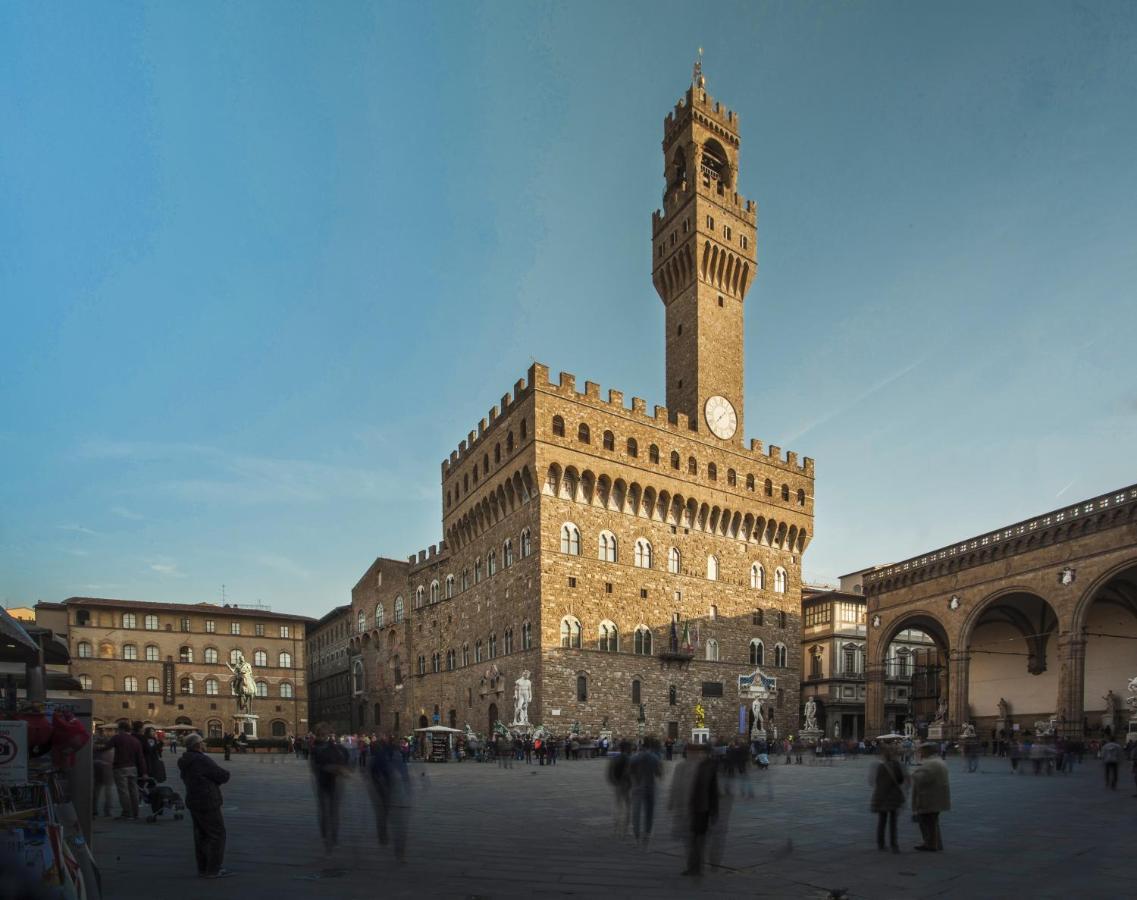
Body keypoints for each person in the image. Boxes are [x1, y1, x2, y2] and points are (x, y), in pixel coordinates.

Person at [178, 732, 232, 878]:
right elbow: (223, 775)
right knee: (217, 834)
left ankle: (203, 868)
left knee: (201, 835)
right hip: (207, 800)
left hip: (193, 800)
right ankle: (213, 869)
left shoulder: (185, 759)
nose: (205, 744)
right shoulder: (202, 760)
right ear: (198, 745)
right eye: (203, 742)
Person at [368, 737, 412, 862]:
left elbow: (404, 773)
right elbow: (375, 773)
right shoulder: (382, 757)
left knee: (399, 823)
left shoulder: (399, 756)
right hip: (387, 793)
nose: (400, 744)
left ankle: (399, 852)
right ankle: (385, 836)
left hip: (397, 794)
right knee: (391, 820)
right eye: (397, 742)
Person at [679, 742, 719, 876]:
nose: (700, 754)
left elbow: (713, 790)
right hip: (696, 806)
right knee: (695, 838)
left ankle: (696, 867)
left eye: (702, 752)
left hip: (703, 808)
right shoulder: (699, 766)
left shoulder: (708, 767)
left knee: (698, 838)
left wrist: (714, 810)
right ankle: (694, 866)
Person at [310, 724, 350, 853]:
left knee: (332, 811)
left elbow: (344, 757)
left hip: (333, 782)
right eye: (322, 735)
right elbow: (316, 767)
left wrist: (340, 768)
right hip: (323, 781)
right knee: (326, 811)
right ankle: (327, 836)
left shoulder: (332, 747)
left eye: (326, 734)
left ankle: (332, 837)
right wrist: (335, 769)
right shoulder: (316, 749)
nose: (325, 737)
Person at [910, 742, 950, 851]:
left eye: (922, 751)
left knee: (927, 822)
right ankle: (936, 843)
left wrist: (912, 774)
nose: (920, 753)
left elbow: (921, 779)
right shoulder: (938, 761)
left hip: (930, 798)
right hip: (937, 797)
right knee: (932, 822)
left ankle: (930, 844)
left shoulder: (931, 764)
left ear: (927, 751)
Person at [870, 745, 908, 853]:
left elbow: (875, 781)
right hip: (893, 796)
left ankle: (881, 844)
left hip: (881, 796)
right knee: (893, 822)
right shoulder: (897, 765)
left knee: (882, 821)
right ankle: (894, 845)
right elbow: (901, 780)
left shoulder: (879, 766)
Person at [109, 721, 147, 820]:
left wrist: (95, 748)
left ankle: (127, 813)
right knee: (134, 791)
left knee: (123, 791)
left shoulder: (117, 738)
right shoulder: (135, 741)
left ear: (121, 729)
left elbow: (106, 747)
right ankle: (136, 813)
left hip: (120, 767)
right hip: (133, 768)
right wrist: (144, 772)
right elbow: (140, 758)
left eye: (118, 729)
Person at [629, 738, 663, 845]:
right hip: (650, 786)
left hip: (638, 787)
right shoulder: (655, 758)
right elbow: (658, 773)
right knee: (649, 811)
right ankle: (647, 833)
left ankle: (636, 835)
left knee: (636, 812)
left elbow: (630, 771)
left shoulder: (635, 758)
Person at [607, 741, 633, 838]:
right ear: (627, 748)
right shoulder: (630, 759)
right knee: (627, 806)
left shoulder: (615, 758)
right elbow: (632, 773)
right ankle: (625, 828)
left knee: (618, 805)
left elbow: (610, 772)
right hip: (627, 784)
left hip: (618, 784)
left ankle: (616, 826)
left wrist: (614, 781)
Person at [92, 730, 115, 817]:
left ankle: (93, 810)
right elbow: (112, 760)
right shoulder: (110, 750)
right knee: (108, 792)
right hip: (108, 772)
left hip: (97, 771)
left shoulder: (94, 749)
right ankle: (108, 811)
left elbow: (92, 760)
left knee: (96, 791)